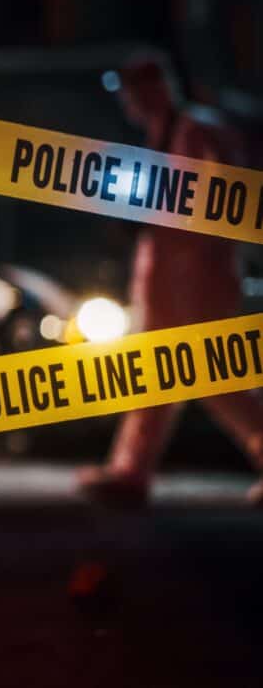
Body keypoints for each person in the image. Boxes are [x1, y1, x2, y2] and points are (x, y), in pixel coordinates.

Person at [77, 53, 263, 507]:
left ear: (154, 89)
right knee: (159, 375)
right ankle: (130, 472)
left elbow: (223, 200)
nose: (127, 103)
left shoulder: (199, 132)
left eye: (132, 91)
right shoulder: (167, 135)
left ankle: (130, 472)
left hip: (198, 279)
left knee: (214, 379)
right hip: (171, 280)